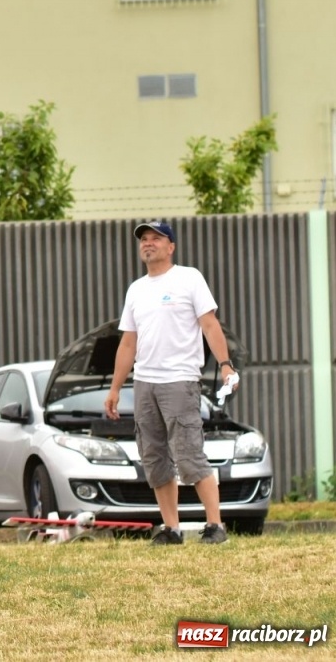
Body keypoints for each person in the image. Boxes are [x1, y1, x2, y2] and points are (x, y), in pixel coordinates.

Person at [105, 220, 238, 546]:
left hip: (180, 380)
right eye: (144, 240)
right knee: (153, 457)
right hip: (145, 383)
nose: (148, 244)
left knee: (189, 453)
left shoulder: (188, 278)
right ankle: (172, 529)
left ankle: (215, 526)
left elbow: (209, 324)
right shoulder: (136, 289)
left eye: (155, 238)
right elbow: (127, 344)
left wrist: (224, 365)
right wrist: (115, 387)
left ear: (171, 246)